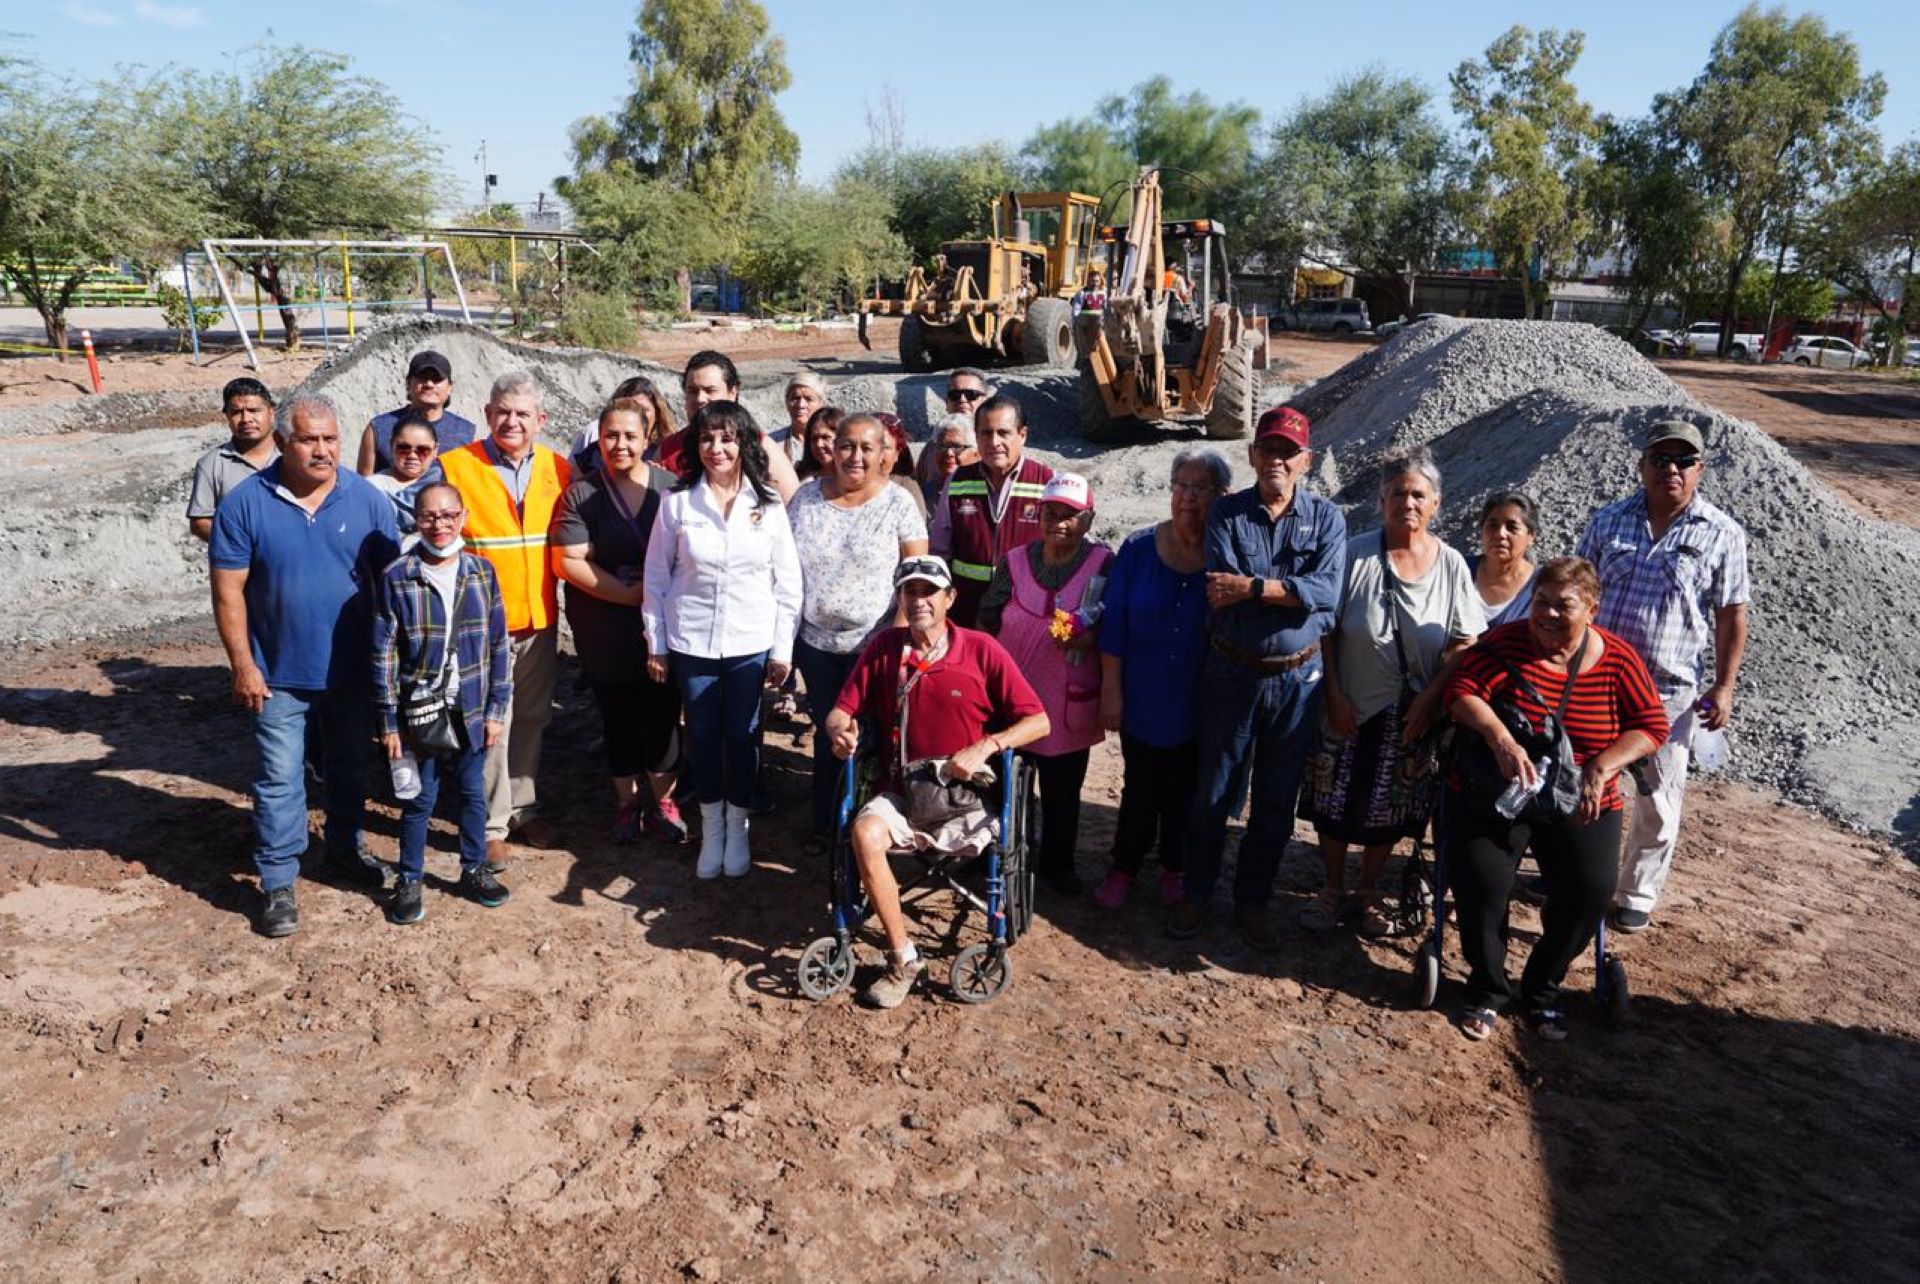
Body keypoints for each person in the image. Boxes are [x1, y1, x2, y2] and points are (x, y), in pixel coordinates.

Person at [1443, 556, 1669, 1041]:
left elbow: (1651, 726)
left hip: (1582, 797)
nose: (1546, 615)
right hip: (1503, 792)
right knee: (1481, 885)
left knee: (1589, 891)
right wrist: (1501, 739)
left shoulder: (1619, 660)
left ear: (1591, 607)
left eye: (1562, 605)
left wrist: (1602, 767)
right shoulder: (1505, 644)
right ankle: (1487, 989)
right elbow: (1461, 692)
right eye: (1539, 603)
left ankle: (1543, 989)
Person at [209, 393, 399, 937]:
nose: (323, 450)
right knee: (278, 778)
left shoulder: (367, 501)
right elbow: (228, 593)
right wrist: (242, 664)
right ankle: (277, 882)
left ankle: (344, 849)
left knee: (349, 768)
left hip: (352, 671)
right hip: (276, 672)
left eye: (331, 439)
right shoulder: (245, 503)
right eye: (309, 440)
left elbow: (392, 586)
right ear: (284, 443)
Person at [825, 558, 1050, 1009]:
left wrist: (987, 746)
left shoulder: (981, 650)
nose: (919, 600)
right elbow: (839, 710)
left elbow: (1038, 721)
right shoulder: (884, 649)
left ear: (950, 599)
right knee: (863, 833)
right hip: (902, 792)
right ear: (900, 600)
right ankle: (903, 958)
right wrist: (839, 731)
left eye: (930, 591)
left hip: (967, 800)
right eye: (910, 592)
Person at [1165, 406, 1347, 948]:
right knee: (1214, 792)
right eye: (1269, 449)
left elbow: (1328, 595)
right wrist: (1291, 593)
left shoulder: (1328, 519)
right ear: (1253, 455)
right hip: (1232, 674)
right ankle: (1197, 893)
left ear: (1305, 461)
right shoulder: (1227, 515)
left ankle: (1252, 901)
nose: (1278, 460)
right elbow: (1223, 588)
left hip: (1298, 682)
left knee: (1275, 800)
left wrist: (1254, 588)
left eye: (1288, 452)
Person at [1301, 448, 1485, 937]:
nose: (1408, 501)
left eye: (1418, 494)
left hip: (1411, 712)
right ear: (1381, 500)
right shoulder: (1355, 552)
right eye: (1398, 492)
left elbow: (1465, 642)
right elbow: (1329, 629)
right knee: (1334, 799)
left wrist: (1431, 699)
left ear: (1436, 504)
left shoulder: (1450, 565)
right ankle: (1332, 888)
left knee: (1390, 806)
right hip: (1349, 701)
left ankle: (1366, 891)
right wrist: (1334, 694)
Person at [1577, 419, 1749, 934]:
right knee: (1585, 777)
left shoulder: (1721, 534)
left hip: (1668, 692)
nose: (1669, 470)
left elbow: (1731, 613)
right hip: (1599, 679)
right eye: (1659, 460)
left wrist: (1724, 684)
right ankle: (1577, 868)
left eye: (1682, 462)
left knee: (1657, 794)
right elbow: (1578, 591)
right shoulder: (1608, 522)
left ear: (1699, 469)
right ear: (1642, 466)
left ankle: (1635, 891)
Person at [643, 401, 802, 878]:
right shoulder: (676, 504)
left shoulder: (768, 505)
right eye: (708, 439)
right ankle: (712, 829)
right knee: (705, 738)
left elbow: (787, 583)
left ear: (744, 445)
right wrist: (657, 643)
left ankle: (739, 825)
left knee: (745, 735)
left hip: (750, 644)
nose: (718, 448)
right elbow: (656, 578)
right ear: (696, 445)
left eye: (728, 438)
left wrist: (781, 650)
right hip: (692, 642)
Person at [436, 371, 573, 861]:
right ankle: (490, 824)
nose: (511, 422)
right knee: (492, 721)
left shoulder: (560, 469)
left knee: (532, 717)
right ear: (488, 415)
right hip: (481, 624)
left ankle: (525, 809)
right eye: (502, 412)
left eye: (522, 414)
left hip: (538, 617)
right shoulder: (456, 466)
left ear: (541, 420)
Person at [1092, 449, 1230, 910]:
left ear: (1220, 496)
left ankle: (1175, 866)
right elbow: (1113, 627)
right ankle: (1124, 867)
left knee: (1185, 790)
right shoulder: (1137, 548)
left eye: (1200, 488)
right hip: (1144, 690)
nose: (1188, 498)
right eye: (1181, 486)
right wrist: (1111, 692)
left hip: (1201, 696)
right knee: (1140, 786)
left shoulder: (1226, 552)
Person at [372, 481, 513, 923]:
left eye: (448, 515)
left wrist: (496, 711)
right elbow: (383, 655)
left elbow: (498, 646)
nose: (440, 525)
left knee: (472, 793)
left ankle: (473, 868)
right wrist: (389, 724)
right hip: (419, 711)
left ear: (463, 517)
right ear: (416, 519)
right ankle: (410, 878)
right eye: (430, 516)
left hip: (470, 708)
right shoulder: (398, 576)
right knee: (419, 798)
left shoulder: (481, 572)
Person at [788, 412, 930, 849]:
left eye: (867, 448)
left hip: (877, 644)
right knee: (831, 730)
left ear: (883, 454)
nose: (855, 456)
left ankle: (874, 823)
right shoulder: (805, 500)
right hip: (815, 643)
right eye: (847, 445)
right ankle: (826, 823)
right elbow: (783, 570)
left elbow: (915, 578)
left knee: (877, 734)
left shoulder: (898, 503)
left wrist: (899, 642)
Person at [551, 398, 688, 846]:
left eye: (630, 436)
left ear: (648, 439)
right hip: (604, 625)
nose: (620, 445)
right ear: (599, 439)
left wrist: (608, 565)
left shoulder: (673, 489)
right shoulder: (580, 495)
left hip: (663, 627)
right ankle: (627, 803)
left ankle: (665, 802)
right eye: (611, 436)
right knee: (617, 714)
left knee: (662, 712)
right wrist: (630, 592)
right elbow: (570, 560)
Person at [978, 472, 1112, 895]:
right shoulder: (1015, 561)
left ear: (1088, 520)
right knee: (1002, 784)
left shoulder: (1105, 564)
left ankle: (1058, 865)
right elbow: (986, 617)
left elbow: (1116, 625)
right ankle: (995, 856)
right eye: (1051, 513)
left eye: (1071, 516)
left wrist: (1090, 637)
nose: (1059, 522)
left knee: (1062, 792)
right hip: (1013, 697)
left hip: (1066, 701)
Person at [929, 394, 1055, 627]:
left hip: (1025, 612)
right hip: (966, 612)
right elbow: (939, 551)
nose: (994, 442)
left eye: (1003, 433)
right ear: (976, 437)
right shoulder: (957, 481)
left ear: (1022, 435)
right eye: (986, 433)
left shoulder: (1046, 481)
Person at [653, 351, 803, 501]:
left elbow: (795, 508)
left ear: (732, 393)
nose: (700, 399)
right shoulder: (667, 450)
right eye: (692, 391)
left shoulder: (762, 448)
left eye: (710, 390)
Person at [355, 349, 478, 476]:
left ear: (450, 387)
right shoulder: (378, 429)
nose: (429, 384)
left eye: (437, 379)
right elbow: (365, 484)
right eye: (422, 378)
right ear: (408, 383)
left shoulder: (466, 433)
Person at [188, 377, 279, 542]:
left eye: (254, 410)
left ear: (271, 412)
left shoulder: (292, 455)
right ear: (227, 416)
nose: (246, 419)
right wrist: (240, 544)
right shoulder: (212, 464)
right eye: (237, 412)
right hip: (240, 565)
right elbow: (200, 521)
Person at [569, 373, 679, 478]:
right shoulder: (595, 453)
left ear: (657, 413)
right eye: (631, 408)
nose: (638, 415)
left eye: (644, 409)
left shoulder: (670, 451)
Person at [1470, 490, 1540, 627]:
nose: (1500, 534)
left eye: (1512, 527)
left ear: (1531, 536)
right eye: (1493, 525)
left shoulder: (1541, 586)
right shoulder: (1458, 571)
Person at [366, 412, 442, 537]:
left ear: (435, 450)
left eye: (422, 450)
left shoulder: (444, 483)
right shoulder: (372, 487)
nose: (412, 456)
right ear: (391, 446)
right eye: (404, 448)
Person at [874, 411, 928, 519]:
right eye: (867, 446)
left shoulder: (905, 488)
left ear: (897, 454)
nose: (876, 454)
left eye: (885, 447)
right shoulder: (841, 485)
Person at [916, 413, 977, 505]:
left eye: (957, 447)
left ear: (976, 452)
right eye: (942, 446)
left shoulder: (987, 494)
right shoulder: (923, 495)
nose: (949, 453)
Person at [781, 372, 829, 463]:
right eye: (795, 398)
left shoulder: (835, 442)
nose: (801, 405)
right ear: (786, 402)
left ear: (820, 403)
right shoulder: (772, 444)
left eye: (809, 399)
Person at [793, 405, 841, 481]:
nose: (819, 444)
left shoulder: (856, 479)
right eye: (814, 439)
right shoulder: (801, 479)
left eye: (826, 437)